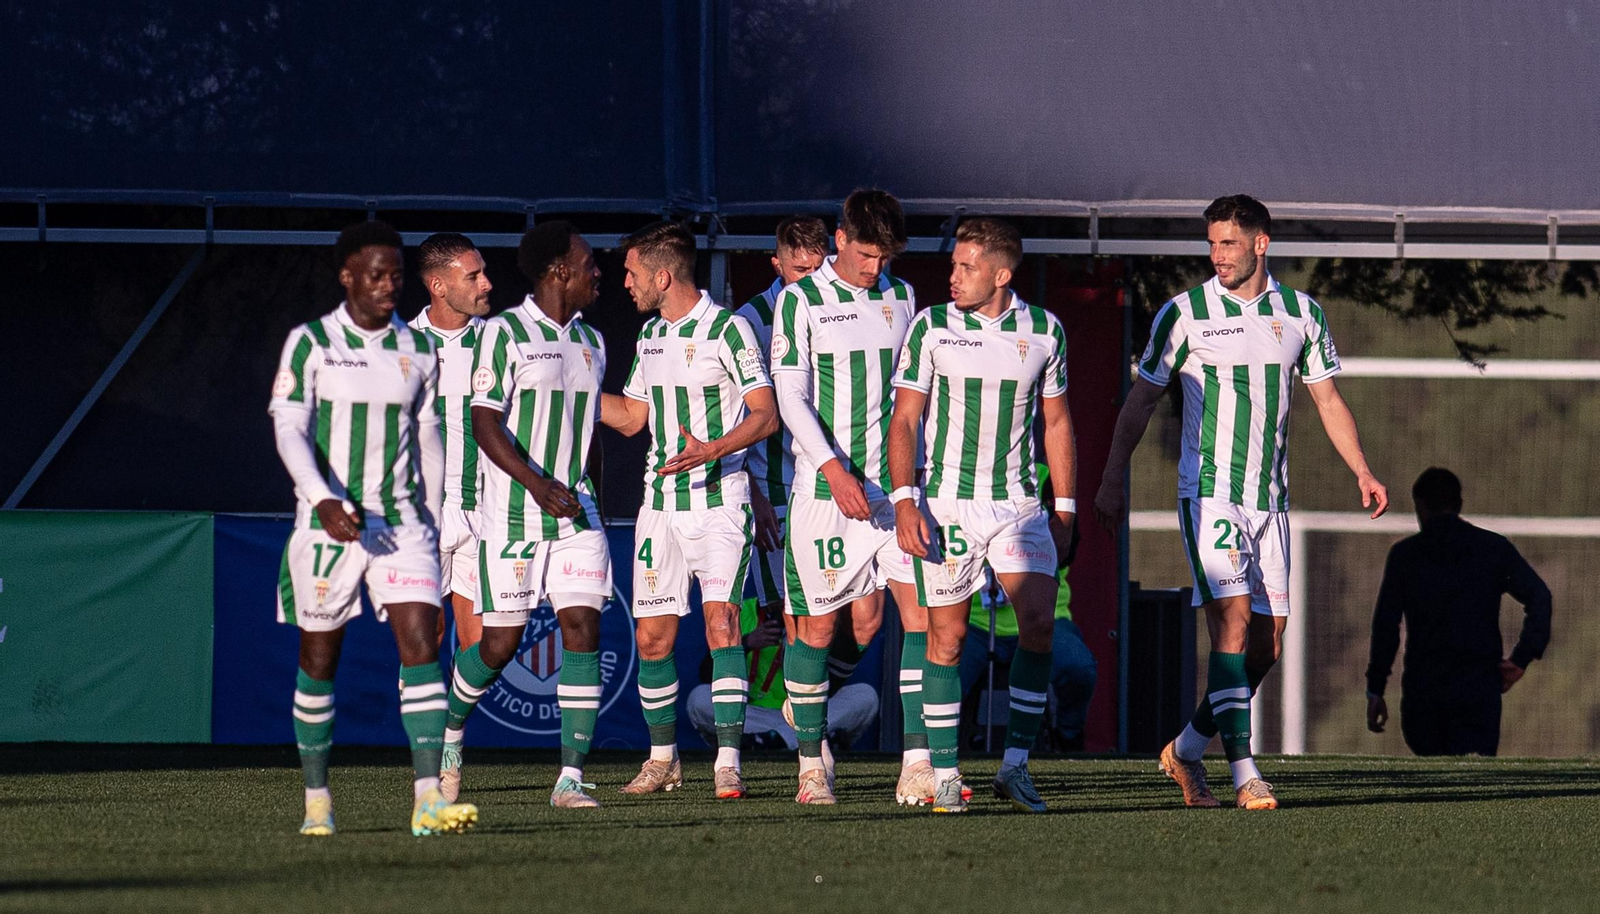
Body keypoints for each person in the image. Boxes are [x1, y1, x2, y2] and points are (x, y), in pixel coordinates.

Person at [1094, 194, 1390, 810]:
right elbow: (1141, 401)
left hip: (1270, 501)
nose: (1216, 255)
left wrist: (1361, 469)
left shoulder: (1301, 314)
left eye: (1228, 243)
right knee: (1229, 625)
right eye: (1211, 243)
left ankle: (1187, 747)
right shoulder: (1185, 313)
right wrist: (1113, 477)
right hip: (1210, 496)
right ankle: (1245, 772)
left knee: (1266, 645)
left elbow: (1328, 401)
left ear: (1261, 244)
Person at [268, 221, 477, 836]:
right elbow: (288, 428)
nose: (389, 284)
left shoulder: (418, 349)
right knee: (319, 657)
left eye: (396, 273)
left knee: (422, 643)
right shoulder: (309, 343)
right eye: (376, 274)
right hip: (327, 525)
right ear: (348, 276)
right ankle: (316, 799)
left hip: (403, 522)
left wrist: (434, 519)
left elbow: (431, 439)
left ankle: (427, 799)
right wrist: (322, 497)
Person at [889, 216, 1078, 813]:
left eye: (966, 267)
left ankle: (1015, 767)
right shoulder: (931, 327)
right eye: (953, 266)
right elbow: (905, 419)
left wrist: (1065, 507)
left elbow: (1056, 422)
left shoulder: (1045, 331)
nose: (953, 277)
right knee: (945, 637)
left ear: (1002, 273)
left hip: (1019, 507)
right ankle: (945, 774)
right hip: (946, 504)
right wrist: (904, 501)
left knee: (1040, 628)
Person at [599, 220, 779, 799]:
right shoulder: (650, 336)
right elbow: (631, 417)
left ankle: (727, 761)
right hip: (660, 507)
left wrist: (713, 450)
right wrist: (569, 388)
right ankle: (662, 761)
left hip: (720, 501)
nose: (624, 283)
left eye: (631, 273)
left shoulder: (729, 329)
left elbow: (764, 414)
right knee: (652, 639)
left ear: (662, 274)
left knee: (722, 624)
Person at [436, 222, 613, 809]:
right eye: (588, 263)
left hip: (576, 514)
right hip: (512, 514)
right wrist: (536, 484)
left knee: (583, 631)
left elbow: (590, 435)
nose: (597, 272)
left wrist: (592, 495)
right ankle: (453, 733)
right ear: (559, 270)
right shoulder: (502, 334)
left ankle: (570, 778)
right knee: (499, 645)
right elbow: (483, 423)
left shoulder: (595, 341)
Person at [770, 189, 934, 806]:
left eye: (884, 256)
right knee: (818, 630)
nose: (875, 268)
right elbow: (790, 398)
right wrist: (835, 470)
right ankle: (812, 763)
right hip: (824, 492)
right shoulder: (800, 301)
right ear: (839, 240)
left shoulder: (902, 296)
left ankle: (917, 764)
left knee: (911, 617)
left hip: (894, 493)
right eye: (866, 254)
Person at [1366, 467, 1552, 756]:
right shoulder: (1492, 549)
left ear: (1421, 507)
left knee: (1434, 783)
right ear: (1459, 504)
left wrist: (1376, 688)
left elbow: (1386, 626)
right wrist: (1521, 659)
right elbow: (1540, 598)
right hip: (1478, 686)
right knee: (1476, 780)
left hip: (1424, 688)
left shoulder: (1407, 556)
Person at [960, 466, 1095, 750]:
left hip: (1046, 615)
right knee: (939, 675)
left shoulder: (1048, 478)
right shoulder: (960, 476)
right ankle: (940, 754)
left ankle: (1068, 737)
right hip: (973, 621)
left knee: (1079, 669)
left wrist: (1022, 569)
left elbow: (1068, 548)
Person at [407, 233, 491, 664]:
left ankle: (454, 734)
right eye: (473, 276)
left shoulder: (499, 344)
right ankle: (421, 734)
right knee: (424, 641)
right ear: (439, 286)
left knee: (479, 647)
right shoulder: (400, 345)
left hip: (482, 511)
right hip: (422, 517)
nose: (486, 284)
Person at [687, 597, 879, 751]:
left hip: (803, 710)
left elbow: (834, 679)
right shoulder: (742, 611)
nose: (778, 600)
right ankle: (796, 740)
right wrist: (746, 643)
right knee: (699, 698)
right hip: (752, 715)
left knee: (865, 695)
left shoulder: (817, 617)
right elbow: (706, 674)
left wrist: (803, 654)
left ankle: (774, 741)